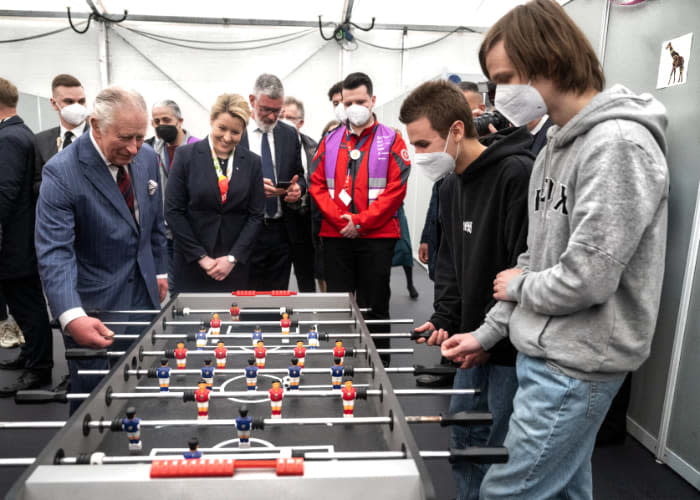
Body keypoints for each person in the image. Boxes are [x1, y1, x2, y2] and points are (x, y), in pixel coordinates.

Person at [440, 1, 669, 498]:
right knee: (564, 490)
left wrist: (521, 286)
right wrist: (486, 333)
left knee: (507, 491)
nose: (499, 94)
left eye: (506, 77)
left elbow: (588, 276)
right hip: (541, 352)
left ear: (547, 59)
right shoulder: (550, 150)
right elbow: (533, 258)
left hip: (577, 363)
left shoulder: (618, 144)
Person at [401, 79, 534, 500]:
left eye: (424, 144)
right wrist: (444, 316)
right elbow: (451, 266)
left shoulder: (516, 175)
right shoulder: (449, 186)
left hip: (510, 350)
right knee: (463, 442)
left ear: (457, 130)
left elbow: (523, 273)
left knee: (501, 453)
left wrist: (488, 339)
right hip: (470, 344)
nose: (417, 156)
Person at [35, 86, 168, 412]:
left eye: (140, 136)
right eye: (125, 138)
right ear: (95, 126)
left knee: (140, 396)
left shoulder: (147, 157)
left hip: (145, 301)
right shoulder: (62, 172)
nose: (135, 148)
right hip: (94, 311)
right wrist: (71, 315)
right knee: (93, 407)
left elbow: (154, 225)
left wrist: (161, 270)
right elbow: (55, 251)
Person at [310, 72, 410, 367]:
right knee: (340, 303)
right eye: (348, 101)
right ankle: (342, 361)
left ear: (373, 101)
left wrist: (362, 222)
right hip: (335, 234)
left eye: (361, 101)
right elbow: (315, 184)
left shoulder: (392, 139)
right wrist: (342, 220)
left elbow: (396, 188)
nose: (354, 106)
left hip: (377, 237)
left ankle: (380, 365)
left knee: (376, 302)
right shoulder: (329, 140)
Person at [165, 94, 264, 292]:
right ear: (211, 121)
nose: (227, 138)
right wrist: (201, 257)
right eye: (222, 128)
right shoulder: (186, 157)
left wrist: (232, 258)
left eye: (235, 132)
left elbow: (255, 216)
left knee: (231, 321)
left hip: (234, 267)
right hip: (192, 264)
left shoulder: (252, 163)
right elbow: (173, 211)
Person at [0, 77, 54, 395]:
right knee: (24, 304)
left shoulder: (9, 138)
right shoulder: (21, 132)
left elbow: (4, 192)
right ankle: (31, 357)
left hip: (14, 240)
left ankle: (38, 369)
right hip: (19, 237)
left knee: (27, 304)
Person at [241, 74, 305, 292]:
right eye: (265, 109)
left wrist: (298, 189)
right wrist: (251, 187)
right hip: (245, 231)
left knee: (278, 298)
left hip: (281, 232)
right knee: (247, 297)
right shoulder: (235, 134)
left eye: (276, 111)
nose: (270, 116)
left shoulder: (289, 134)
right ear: (252, 100)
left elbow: (301, 175)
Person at [146, 99, 199, 294]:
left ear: (180, 121)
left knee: (190, 285)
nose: (161, 125)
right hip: (162, 232)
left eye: (166, 119)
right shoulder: (149, 151)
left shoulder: (198, 148)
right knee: (170, 286)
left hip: (189, 230)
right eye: (156, 121)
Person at [281, 96, 319, 292]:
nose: (284, 120)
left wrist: (302, 191)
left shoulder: (313, 147)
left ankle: (309, 316)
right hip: (278, 223)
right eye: (281, 116)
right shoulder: (269, 146)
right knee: (278, 279)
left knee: (306, 276)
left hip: (306, 221)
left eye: (289, 117)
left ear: (300, 122)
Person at [34, 74, 90, 196]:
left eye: (81, 101)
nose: (77, 106)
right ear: (54, 103)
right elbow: (34, 183)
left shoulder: (99, 138)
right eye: (69, 101)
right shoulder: (40, 141)